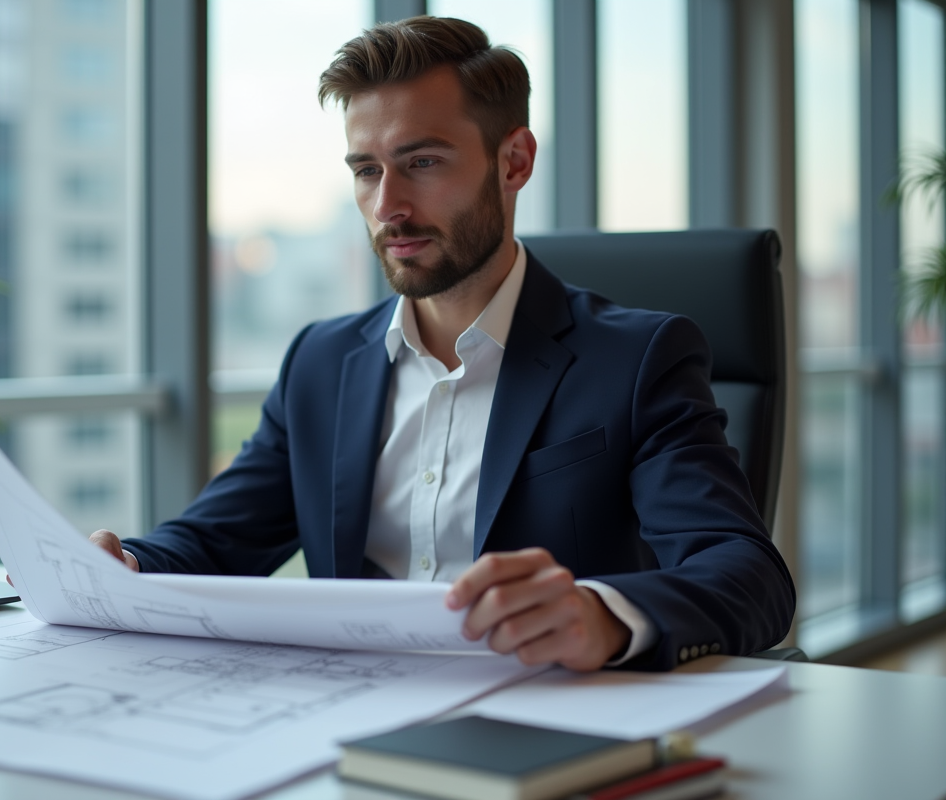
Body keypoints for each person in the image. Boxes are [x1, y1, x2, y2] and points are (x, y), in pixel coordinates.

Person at [91, 16, 795, 672]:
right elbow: (214, 540)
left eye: (422, 162)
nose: (388, 205)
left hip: (548, 727)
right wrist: (125, 564)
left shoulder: (638, 360)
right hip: (345, 725)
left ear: (513, 160)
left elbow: (745, 575)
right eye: (366, 170)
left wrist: (602, 614)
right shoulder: (321, 362)